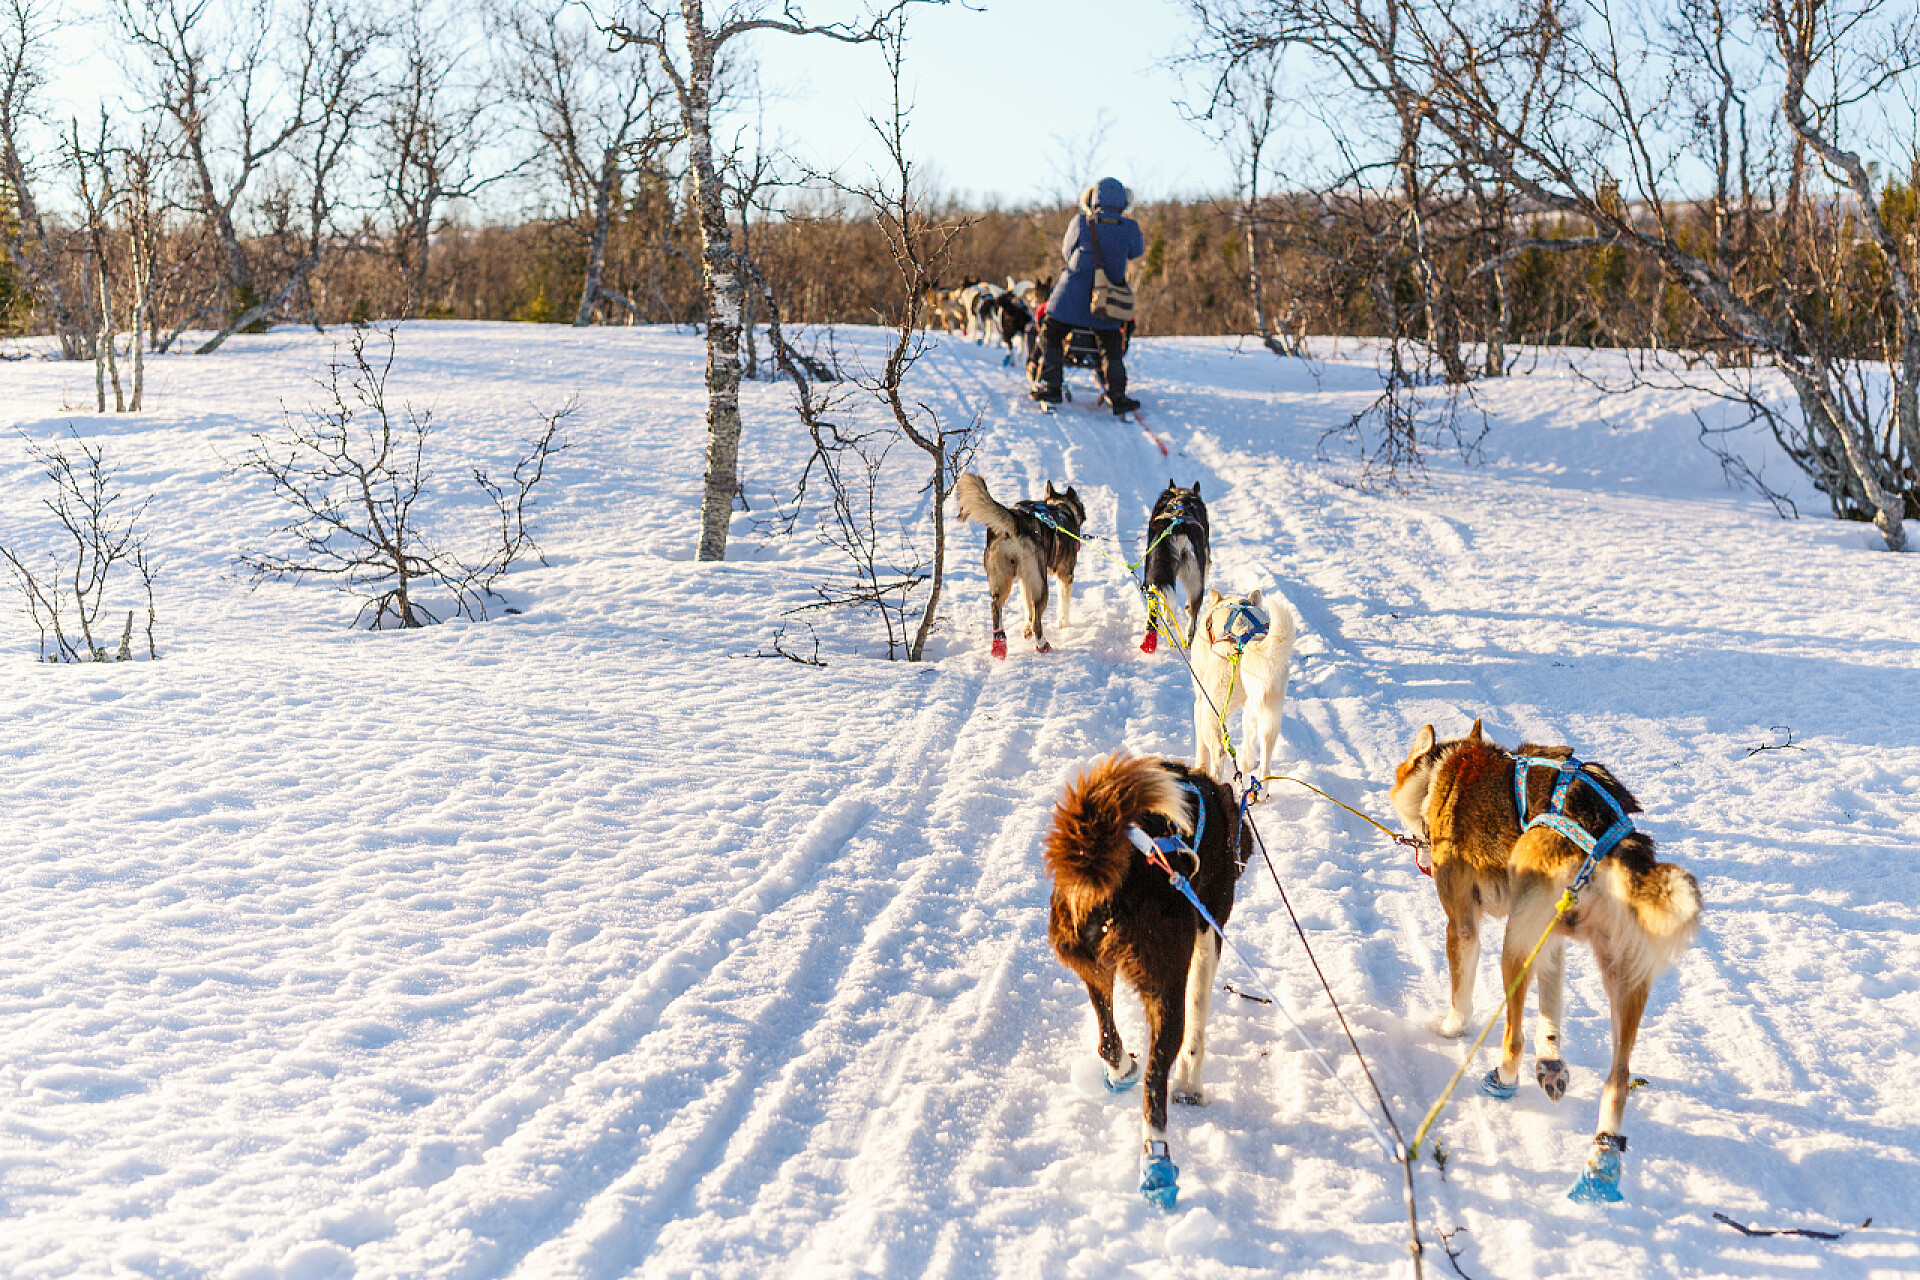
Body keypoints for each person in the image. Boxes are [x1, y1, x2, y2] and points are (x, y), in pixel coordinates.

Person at [1031, 177, 1144, 414]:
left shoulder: (1081, 221)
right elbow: (1136, 252)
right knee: (1111, 343)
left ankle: (1051, 386)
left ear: (1093, 198)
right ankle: (1117, 394)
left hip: (1069, 297)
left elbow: (1066, 252)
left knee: (1051, 331)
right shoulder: (1130, 227)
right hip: (1105, 299)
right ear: (1124, 200)